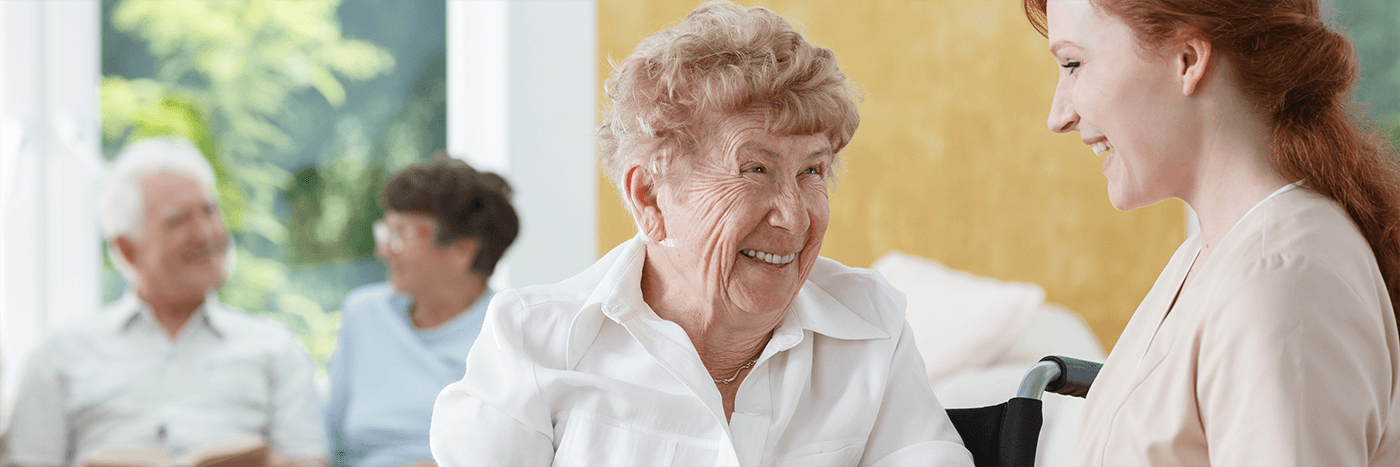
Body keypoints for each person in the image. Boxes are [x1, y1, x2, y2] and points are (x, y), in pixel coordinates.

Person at [428, 2, 974, 466]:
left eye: (812, 171)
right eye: (754, 170)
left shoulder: (870, 325)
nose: (794, 217)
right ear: (650, 198)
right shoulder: (533, 342)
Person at [1023, 0, 1400, 464]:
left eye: (1074, 64)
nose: (1058, 115)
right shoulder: (1214, 255)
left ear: (1188, 60)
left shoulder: (1279, 282)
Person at [3, 138, 328, 466]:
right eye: (178, 221)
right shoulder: (59, 355)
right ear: (128, 250)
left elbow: (308, 460)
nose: (205, 234)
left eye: (210, 211)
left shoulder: (276, 349)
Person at [324, 155, 519, 467]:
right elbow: (328, 437)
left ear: (461, 250)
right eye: (385, 232)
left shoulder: (511, 330)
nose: (383, 250)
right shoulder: (364, 315)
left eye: (400, 234)